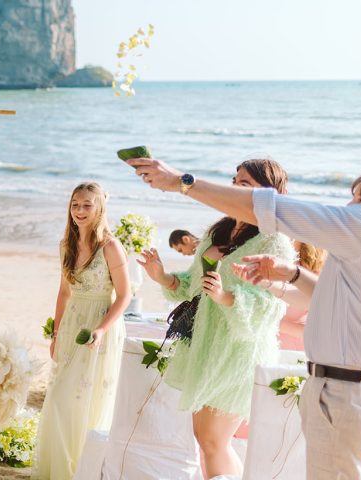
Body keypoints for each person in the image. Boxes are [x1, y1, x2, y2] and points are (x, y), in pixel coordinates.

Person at [127, 123, 361, 478]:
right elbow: (339, 297)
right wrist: (292, 275)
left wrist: (181, 181)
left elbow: (273, 210)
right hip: (346, 387)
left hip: (350, 390)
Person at [233, 172, 361, 480]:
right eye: (352, 196)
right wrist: (283, 278)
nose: (351, 205)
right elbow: (327, 300)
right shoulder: (355, 256)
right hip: (351, 388)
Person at [137, 159, 295, 478]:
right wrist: (164, 277)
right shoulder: (218, 231)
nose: (235, 188)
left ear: (268, 194)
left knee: (213, 439)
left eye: (245, 184)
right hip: (205, 345)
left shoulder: (274, 240)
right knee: (204, 437)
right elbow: (195, 284)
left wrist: (227, 298)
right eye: (234, 181)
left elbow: (273, 304)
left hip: (238, 350)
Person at [36, 182, 130, 479]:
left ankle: (83, 470)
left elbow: (125, 295)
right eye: (75, 204)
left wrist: (101, 329)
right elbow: (64, 293)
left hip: (101, 324)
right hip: (73, 323)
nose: (79, 210)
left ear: (100, 206)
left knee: (89, 401)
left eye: (87, 204)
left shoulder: (110, 247)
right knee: (61, 398)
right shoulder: (66, 246)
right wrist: (56, 334)